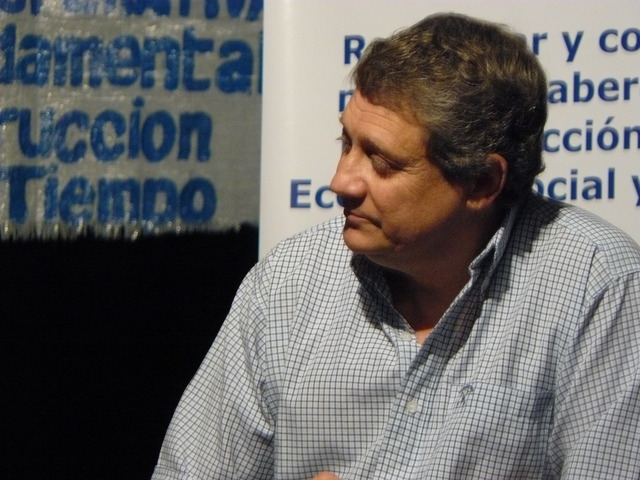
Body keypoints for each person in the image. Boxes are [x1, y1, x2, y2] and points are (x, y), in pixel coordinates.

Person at [152, 12, 640, 480]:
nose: (341, 181)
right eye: (347, 143)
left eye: (382, 162)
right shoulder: (289, 282)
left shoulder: (597, 288)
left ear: (482, 182)